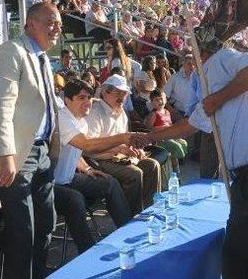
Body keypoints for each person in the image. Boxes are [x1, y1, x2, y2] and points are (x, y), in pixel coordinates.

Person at [139, 38, 248, 279]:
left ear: (202, 50)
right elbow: (189, 125)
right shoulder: (208, 78)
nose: (189, 59)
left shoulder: (222, 58)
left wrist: (219, 98)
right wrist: (148, 137)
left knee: (238, 260)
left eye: (191, 51)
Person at [0, 2, 62, 279]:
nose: (57, 27)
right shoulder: (12, 52)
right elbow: (0, 107)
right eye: (50, 22)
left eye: (59, 22)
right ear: (30, 24)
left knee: (45, 225)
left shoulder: (42, 58)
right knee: (23, 233)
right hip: (17, 156)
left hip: (41, 152)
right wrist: (6, 156)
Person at [53, 80, 133, 253]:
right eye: (81, 97)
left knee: (109, 182)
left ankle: (130, 233)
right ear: (67, 99)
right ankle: (88, 252)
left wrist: (87, 169)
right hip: (52, 184)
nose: (87, 102)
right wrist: (123, 138)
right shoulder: (63, 118)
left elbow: (75, 152)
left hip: (69, 178)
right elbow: (87, 145)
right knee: (75, 199)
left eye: (89, 97)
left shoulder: (80, 119)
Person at [84, 74, 161, 215]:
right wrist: (121, 149)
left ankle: (149, 211)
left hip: (119, 158)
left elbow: (126, 141)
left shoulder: (122, 113)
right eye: (118, 93)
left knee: (152, 165)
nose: (122, 97)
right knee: (134, 174)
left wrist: (135, 149)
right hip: (98, 160)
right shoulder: (95, 112)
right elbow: (90, 147)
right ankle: (129, 218)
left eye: (124, 94)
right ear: (105, 93)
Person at [145, 89, 187, 173]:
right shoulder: (154, 114)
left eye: (162, 99)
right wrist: (161, 128)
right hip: (159, 139)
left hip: (169, 136)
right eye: (156, 100)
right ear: (152, 102)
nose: (160, 101)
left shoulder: (167, 112)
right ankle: (175, 170)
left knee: (183, 142)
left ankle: (176, 163)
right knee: (175, 146)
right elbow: (149, 128)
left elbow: (170, 125)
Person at [164, 54, 195, 120]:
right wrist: (172, 110)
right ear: (183, 65)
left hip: (195, 115)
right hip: (178, 113)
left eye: (194, 64)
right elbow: (164, 96)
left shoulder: (200, 79)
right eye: (189, 64)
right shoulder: (175, 77)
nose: (192, 66)